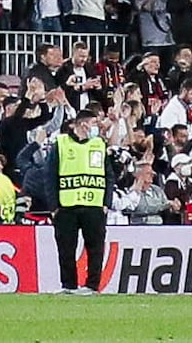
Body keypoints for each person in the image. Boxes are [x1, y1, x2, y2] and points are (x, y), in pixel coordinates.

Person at [51, 96, 114, 293]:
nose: (97, 126)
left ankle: (92, 285)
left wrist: (106, 202)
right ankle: (68, 285)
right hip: (67, 206)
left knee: (95, 249)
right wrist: (54, 206)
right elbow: (50, 175)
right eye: (94, 122)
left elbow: (108, 176)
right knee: (66, 249)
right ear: (83, 124)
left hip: (94, 206)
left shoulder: (99, 145)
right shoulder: (61, 144)